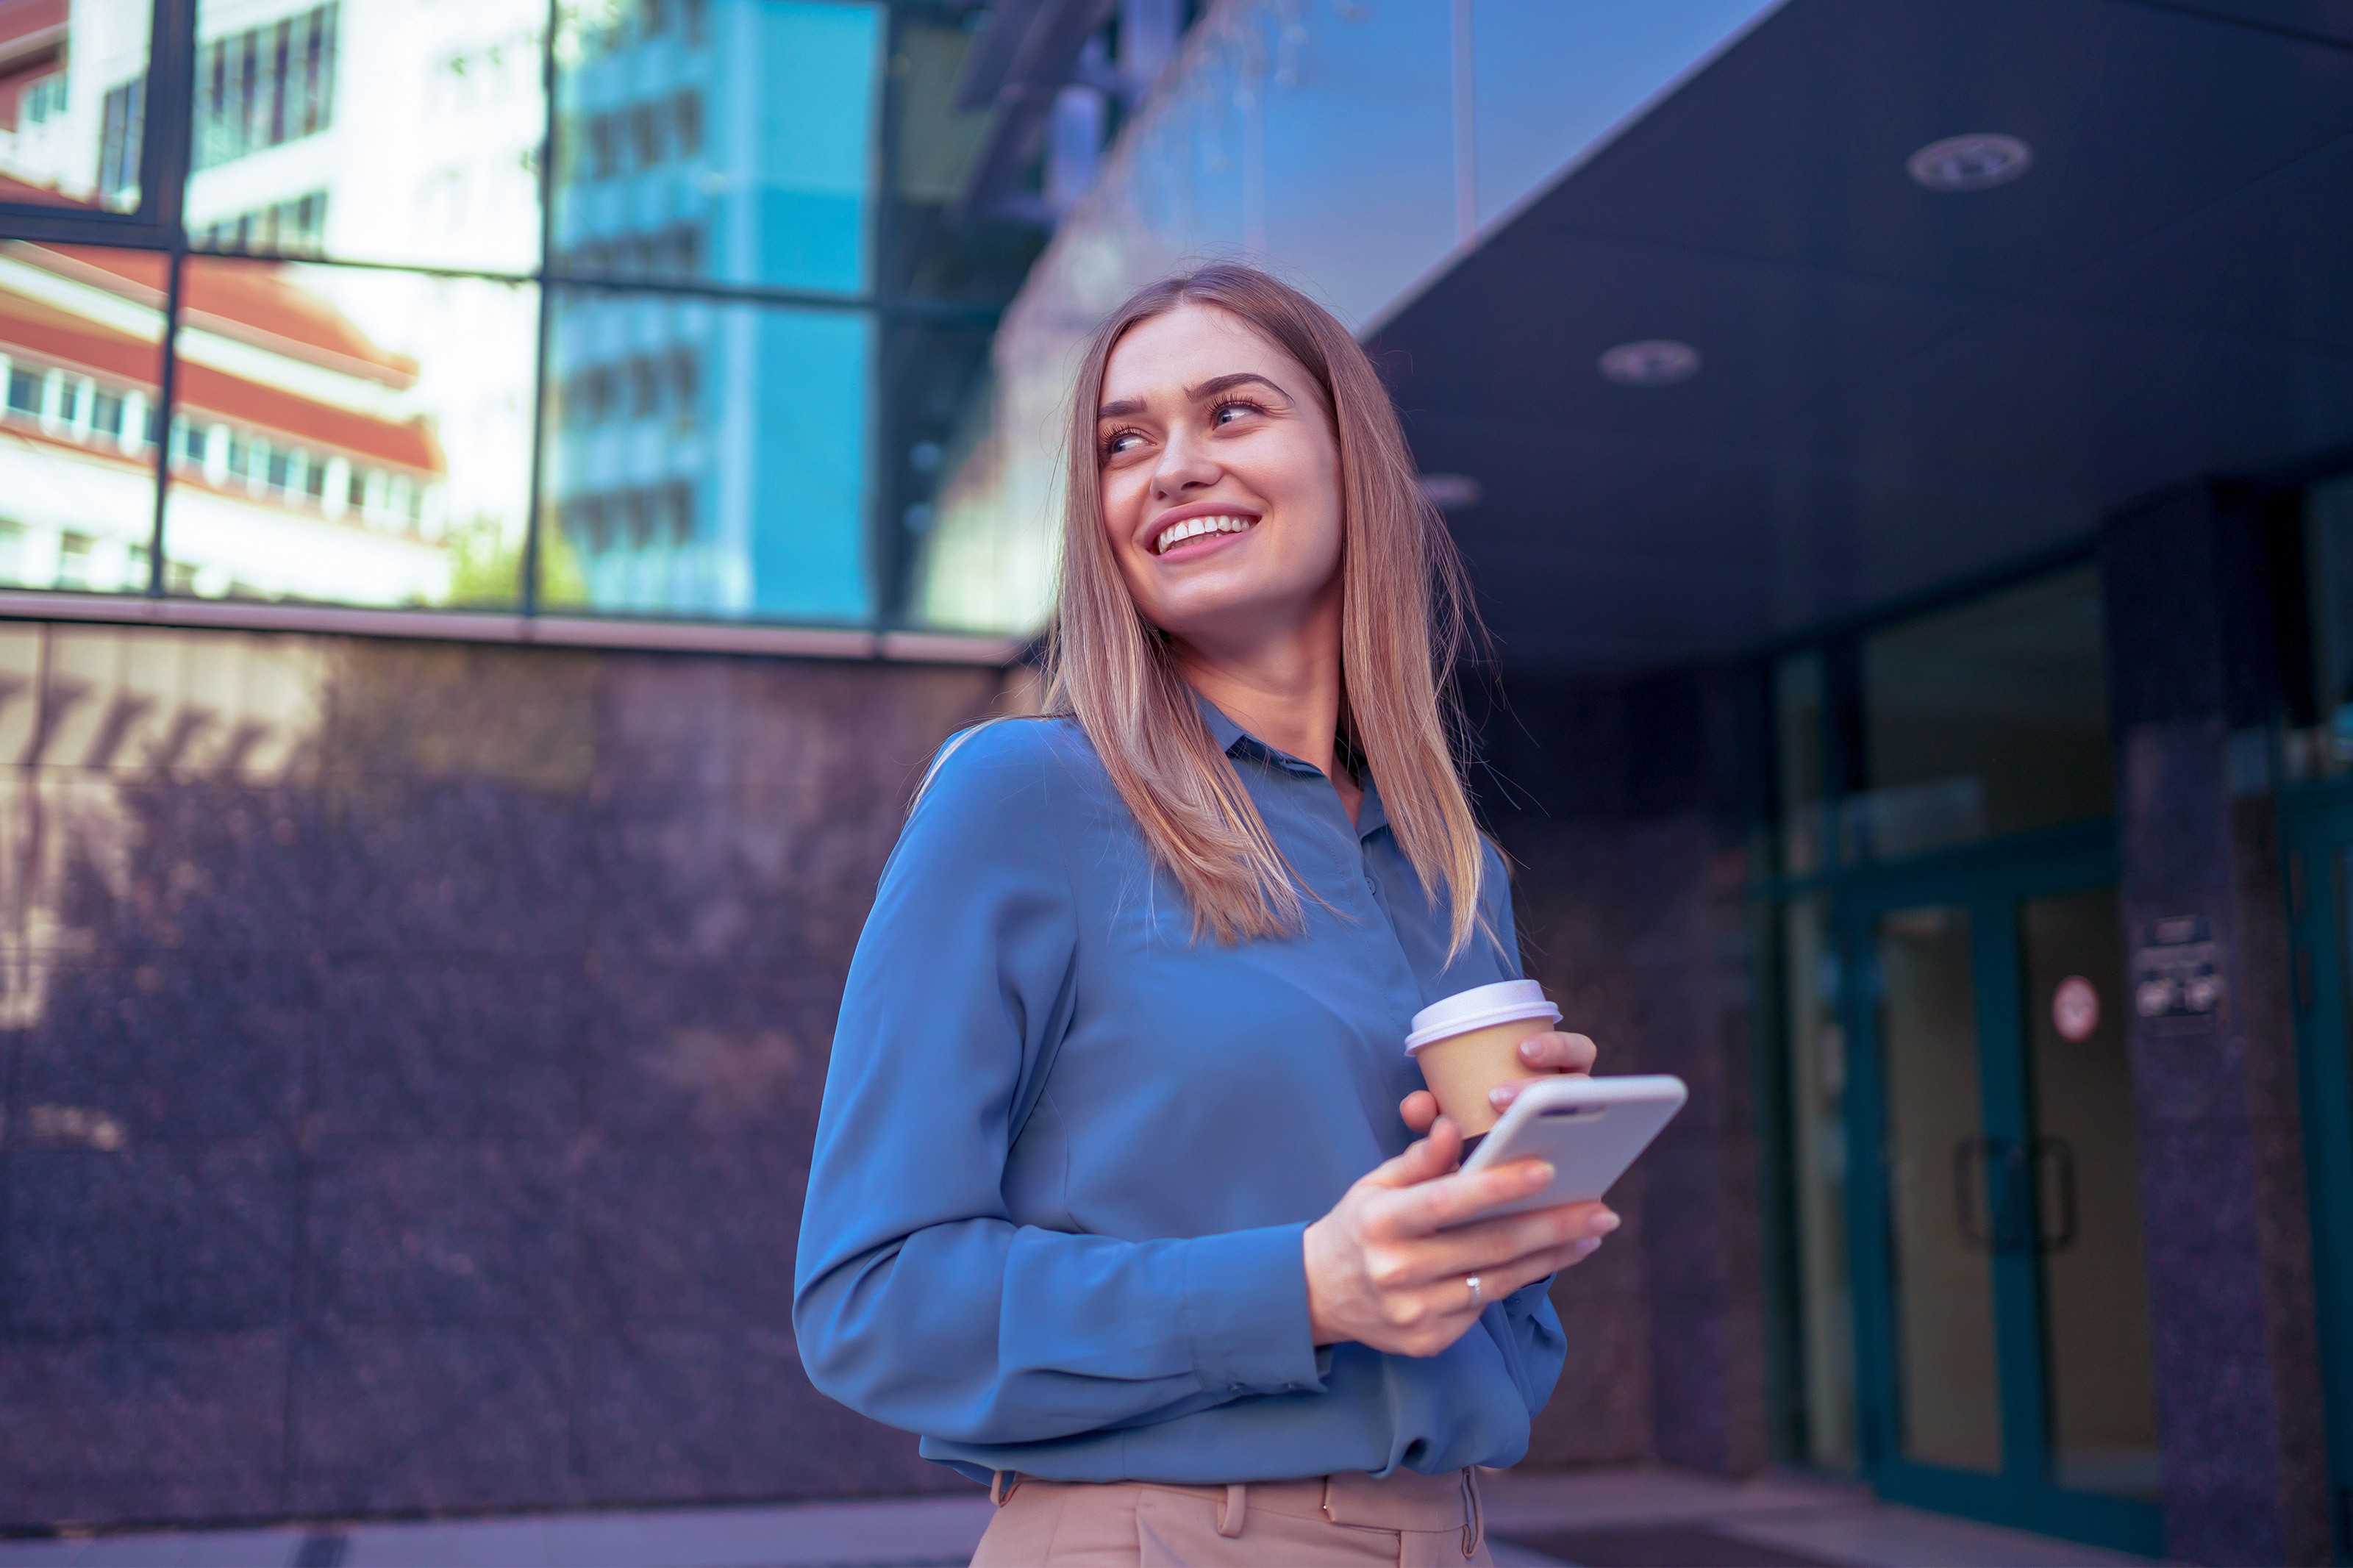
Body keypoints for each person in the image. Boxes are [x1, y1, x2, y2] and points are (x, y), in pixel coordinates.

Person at [793, 263, 1619, 1566]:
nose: (1172, 466)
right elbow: (871, 1303)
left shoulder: (1454, 868)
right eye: (1125, 441)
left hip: (1448, 1532)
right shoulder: (1022, 797)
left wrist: (1516, 1183)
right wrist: (1297, 1290)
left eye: (1231, 412)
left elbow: (1482, 1319)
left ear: (1351, 459)